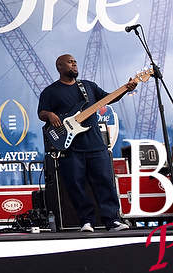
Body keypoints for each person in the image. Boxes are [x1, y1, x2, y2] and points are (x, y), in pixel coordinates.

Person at [37, 54, 136, 232]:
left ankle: (112, 220)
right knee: (76, 185)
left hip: (96, 145)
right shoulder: (50, 91)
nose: (74, 64)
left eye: (75, 62)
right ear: (59, 67)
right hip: (71, 147)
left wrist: (126, 89)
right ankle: (86, 221)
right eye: (70, 62)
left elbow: (109, 98)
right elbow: (41, 113)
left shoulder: (88, 86)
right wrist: (50, 115)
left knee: (105, 182)